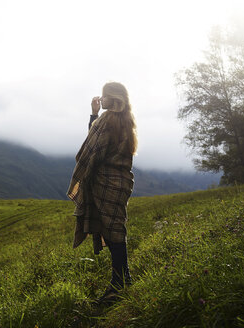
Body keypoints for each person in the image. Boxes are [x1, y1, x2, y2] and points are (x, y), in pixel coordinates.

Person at [67, 81, 137, 305]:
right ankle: (122, 280)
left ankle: (119, 285)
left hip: (105, 182)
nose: (101, 98)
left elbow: (91, 148)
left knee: (112, 232)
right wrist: (94, 114)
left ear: (113, 98)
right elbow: (98, 141)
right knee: (116, 229)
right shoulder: (126, 120)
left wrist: (82, 172)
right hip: (121, 182)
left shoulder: (107, 120)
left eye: (104, 96)